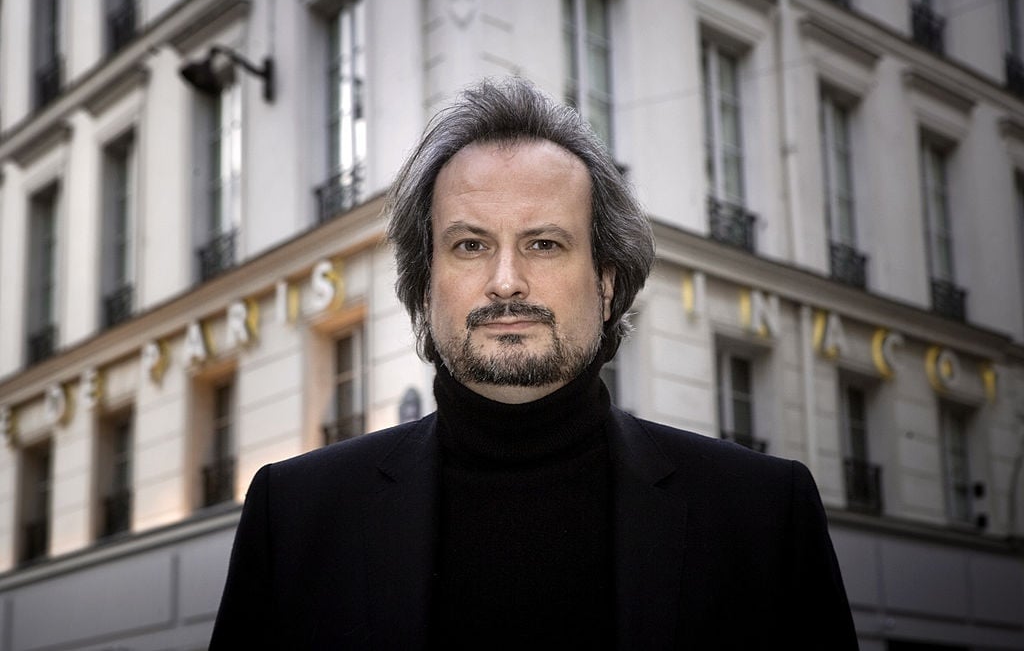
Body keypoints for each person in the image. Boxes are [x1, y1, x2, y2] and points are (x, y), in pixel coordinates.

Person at [209, 78, 858, 649]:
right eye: (470, 244)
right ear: (426, 284)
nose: (507, 281)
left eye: (544, 243)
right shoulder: (293, 518)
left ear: (607, 282)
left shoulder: (765, 519)